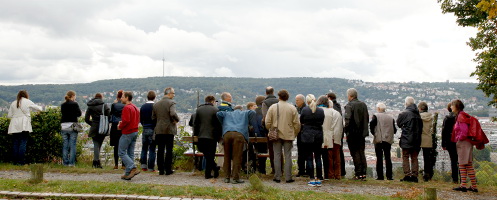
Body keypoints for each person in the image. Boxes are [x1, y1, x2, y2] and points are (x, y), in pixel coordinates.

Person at [265, 89, 301, 183]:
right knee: (288, 155)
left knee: (277, 155)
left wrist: (271, 129)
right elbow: (297, 124)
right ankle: (288, 177)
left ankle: (277, 176)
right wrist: (294, 133)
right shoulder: (292, 108)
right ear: (287, 97)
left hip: (276, 133)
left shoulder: (273, 107)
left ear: (279, 96)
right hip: (288, 134)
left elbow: (267, 122)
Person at [217, 103, 258, 184]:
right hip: (239, 134)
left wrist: (223, 123)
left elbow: (218, 113)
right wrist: (248, 119)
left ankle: (227, 177)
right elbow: (253, 113)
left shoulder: (227, 113)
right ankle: (235, 178)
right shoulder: (244, 113)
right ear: (241, 109)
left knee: (227, 156)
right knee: (237, 156)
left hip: (227, 134)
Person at [7, 90, 43, 165]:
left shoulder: (13, 103)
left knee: (16, 143)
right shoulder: (27, 101)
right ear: (26, 95)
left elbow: (9, 115)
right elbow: (39, 109)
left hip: (14, 125)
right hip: (24, 124)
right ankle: (21, 161)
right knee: (23, 142)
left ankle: (15, 162)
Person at [451, 100, 478, 192]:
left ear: (456, 107)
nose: (451, 107)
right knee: (468, 164)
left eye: (452, 106)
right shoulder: (463, 115)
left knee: (462, 164)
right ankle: (473, 186)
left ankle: (464, 185)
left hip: (463, 142)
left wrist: (459, 138)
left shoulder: (460, 117)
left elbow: (464, 131)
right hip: (467, 142)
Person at [152, 87, 179, 175]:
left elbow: (153, 117)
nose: (174, 95)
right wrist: (176, 120)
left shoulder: (156, 104)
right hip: (169, 129)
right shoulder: (171, 103)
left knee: (160, 150)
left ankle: (161, 169)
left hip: (159, 129)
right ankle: (168, 169)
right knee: (169, 150)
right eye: (173, 93)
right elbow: (173, 113)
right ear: (169, 93)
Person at [344, 88, 369, 180]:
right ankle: (363, 173)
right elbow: (366, 118)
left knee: (355, 153)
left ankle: (358, 173)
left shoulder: (349, 106)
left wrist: (345, 130)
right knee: (361, 152)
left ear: (350, 96)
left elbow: (347, 120)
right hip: (362, 133)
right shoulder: (363, 105)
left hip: (352, 133)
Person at [194, 95, 222, 179]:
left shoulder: (199, 109)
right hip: (212, 136)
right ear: (213, 101)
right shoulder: (216, 110)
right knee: (211, 155)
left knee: (206, 154)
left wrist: (196, 135)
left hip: (201, 135)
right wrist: (219, 136)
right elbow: (218, 125)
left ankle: (213, 169)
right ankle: (209, 172)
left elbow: (196, 123)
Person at [300, 94, 325, 185]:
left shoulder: (305, 110)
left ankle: (311, 177)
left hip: (307, 135)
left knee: (309, 157)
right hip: (318, 135)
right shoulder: (320, 111)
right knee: (318, 157)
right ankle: (319, 176)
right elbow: (322, 122)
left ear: (307, 101)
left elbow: (301, 121)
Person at [397, 96, 423, 183]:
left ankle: (407, 175)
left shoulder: (404, 113)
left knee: (405, 156)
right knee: (414, 157)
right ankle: (415, 175)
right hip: (417, 139)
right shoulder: (418, 114)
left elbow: (399, 123)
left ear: (406, 104)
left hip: (407, 138)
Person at [317, 95, 343, 180]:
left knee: (329, 157)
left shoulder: (320, 112)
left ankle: (330, 174)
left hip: (326, 136)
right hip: (334, 137)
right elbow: (339, 127)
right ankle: (337, 174)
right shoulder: (336, 113)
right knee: (335, 158)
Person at [369, 103, 396, 180]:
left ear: (378, 108)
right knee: (388, 157)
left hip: (379, 139)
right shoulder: (391, 118)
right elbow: (394, 129)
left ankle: (380, 176)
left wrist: (374, 133)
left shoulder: (376, 116)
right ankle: (389, 176)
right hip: (388, 139)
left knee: (379, 158)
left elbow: (371, 125)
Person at [118, 91, 141, 180]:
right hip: (135, 131)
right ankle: (128, 173)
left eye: (123, 97)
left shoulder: (127, 108)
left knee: (121, 152)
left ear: (127, 98)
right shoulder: (135, 107)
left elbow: (126, 120)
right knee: (130, 153)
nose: (121, 98)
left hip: (128, 132)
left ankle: (132, 167)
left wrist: (120, 126)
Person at [85, 93, 110, 169]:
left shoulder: (90, 106)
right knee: (99, 144)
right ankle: (96, 162)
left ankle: (96, 161)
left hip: (94, 127)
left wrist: (92, 124)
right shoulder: (104, 106)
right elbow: (109, 116)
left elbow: (86, 119)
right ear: (101, 97)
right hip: (102, 127)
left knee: (96, 144)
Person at [262, 86, 281, 174]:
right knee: (279, 150)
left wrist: (267, 127)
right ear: (273, 92)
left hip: (271, 130)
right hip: (280, 128)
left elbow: (265, 117)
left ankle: (274, 169)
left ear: (266, 93)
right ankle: (281, 168)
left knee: (272, 150)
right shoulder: (279, 101)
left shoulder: (265, 102)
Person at [60, 90, 82, 167]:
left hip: (64, 125)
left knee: (65, 145)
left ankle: (65, 162)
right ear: (73, 96)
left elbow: (62, 113)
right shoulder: (75, 104)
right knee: (72, 145)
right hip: (73, 124)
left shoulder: (63, 105)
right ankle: (71, 163)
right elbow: (79, 114)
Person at [327, 92, 346, 177]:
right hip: (339, 133)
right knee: (338, 153)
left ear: (329, 98)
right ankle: (339, 172)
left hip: (333, 134)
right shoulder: (338, 107)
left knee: (332, 154)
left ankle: (333, 172)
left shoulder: (333, 109)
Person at [441, 102, 459, 184]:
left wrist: (443, 143)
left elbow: (444, 131)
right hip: (459, 140)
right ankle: (463, 178)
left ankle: (455, 179)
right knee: (461, 160)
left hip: (450, 141)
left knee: (453, 160)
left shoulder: (447, 118)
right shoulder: (459, 117)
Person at [140, 91, 157, 172]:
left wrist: (144, 125)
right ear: (154, 97)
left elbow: (140, 119)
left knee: (144, 148)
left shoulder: (143, 107)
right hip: (153, 129)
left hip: (145, 128)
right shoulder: (155, 106)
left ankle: (143, 166)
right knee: (152, 148)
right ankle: (151, 167)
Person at [419, 101, 434, 182]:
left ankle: (415, 173)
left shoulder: (418, 117)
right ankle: (427, 174)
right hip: (428, 138)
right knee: (427, 158)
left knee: (415, 156)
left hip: (420, 138)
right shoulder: (430, 117)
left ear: (420, 108)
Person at [110, 90, 125, 169]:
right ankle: (123, 164)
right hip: (122, 125)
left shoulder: (114, 105)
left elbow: (111, 113)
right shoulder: (125, 105)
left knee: (116, 146)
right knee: (123, 145)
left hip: (115, 125)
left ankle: (116, 164)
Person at [254, 95, 268, 174]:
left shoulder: (254, 111)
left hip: (254, 136)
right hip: (262, 136)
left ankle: (257, 169)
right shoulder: (263, 111)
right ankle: (262, 170)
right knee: (263, 154)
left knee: (256, 152)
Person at [295, 94, 307, 177]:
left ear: (302, 101)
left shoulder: (304, 110)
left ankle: (302, 170)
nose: (296, 102)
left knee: (303, 153)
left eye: (297, 100)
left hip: (303, 133)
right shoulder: (298, 109)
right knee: (301, 153)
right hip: (301, 134)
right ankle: (301, 169)